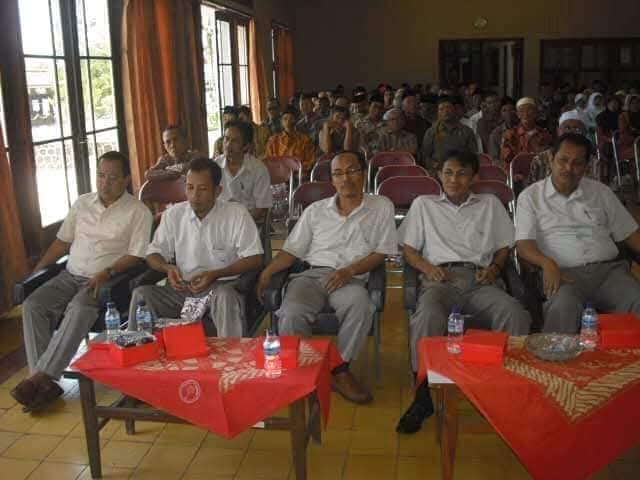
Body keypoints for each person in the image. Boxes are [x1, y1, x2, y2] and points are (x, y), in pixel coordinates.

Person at [396, 149, 530, 434]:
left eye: (461, 173)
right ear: (438, 175)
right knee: (426, 316)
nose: (453, 180)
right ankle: (422, 394)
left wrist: (495, 268)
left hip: (480, 279)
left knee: (514, 313)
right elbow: (408, 249)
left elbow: (504, 247)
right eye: (448, 173)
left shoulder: (490, 204)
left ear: (474, 177)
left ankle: (503, 388)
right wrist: (427, 267)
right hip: (440, 278)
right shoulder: (424, 205)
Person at [12, 152, 153, 412]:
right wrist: (37, 272)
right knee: (33, 304)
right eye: (100, 175)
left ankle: (39, 379)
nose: (104, 183)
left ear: (126, 180)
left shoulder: (138, 212)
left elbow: (137, 256)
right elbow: (61, 243)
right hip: (69, 275)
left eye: (112, 177)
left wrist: (107, 272)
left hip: (104, 282)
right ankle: (43, 382)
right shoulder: (82, 204)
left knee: (78, 309)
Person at [256, 151, 397, 404]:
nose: (345, 179)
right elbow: (291, 252)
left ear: (363, 173)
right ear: (332, 179)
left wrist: (349, 271)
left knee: (361, 304)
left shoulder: (381, 206)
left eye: (352, 171)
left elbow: (381, 252)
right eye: (338, 173)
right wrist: (267, 271)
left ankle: (339, 370)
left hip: (351, 277)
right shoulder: (315, 211)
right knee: (291, 313)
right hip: (312, 275)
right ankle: (307, 370)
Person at [516, 133, 640, 333]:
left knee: (636, 299)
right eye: (563, 160)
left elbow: (630, 234)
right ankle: (556, 354)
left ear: (586, 166)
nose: (569, 168)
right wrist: (546, 263)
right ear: (551, 159)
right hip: (563, 274)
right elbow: (524, 246)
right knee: (563, 305)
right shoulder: (530, 197)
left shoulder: (601, 192)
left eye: (577, 163)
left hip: (608, 273)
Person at [129, 157, 263, 336]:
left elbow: (255, 258)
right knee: (141, 295)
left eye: (203, 189)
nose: (195, 195)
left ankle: (231, 352)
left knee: (225, 297)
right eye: (190, 187)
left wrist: (216, 274)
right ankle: (139, 348)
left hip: (220, 288)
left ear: (218, 191)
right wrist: (166, 268)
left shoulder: (236, 214)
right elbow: (153, 253)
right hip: (183, 290)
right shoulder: (174, 215)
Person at [214, 121, 272, 223]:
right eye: (226, 139)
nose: (228, 144)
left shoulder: (258, 169)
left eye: (235, 141)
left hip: (249, 222)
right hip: (219, 222)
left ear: (246, 146)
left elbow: (261, 208)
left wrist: (239, 223)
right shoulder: (214, 166)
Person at [528, 112, 604, 184]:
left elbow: (598, 191)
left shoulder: (593, 163)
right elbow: (532, 190)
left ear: (585, 133)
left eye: (577, 129)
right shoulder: (540, 160)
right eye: (567, 128)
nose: (571, 132)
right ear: (558, 131)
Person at [421, 97, 477, 172]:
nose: (445, 111)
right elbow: (425, 156)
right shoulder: (431, 132)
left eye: (448, 107)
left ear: (455, 109)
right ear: (438, 113)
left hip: (462, 171)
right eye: (441, 109)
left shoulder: (467, 131)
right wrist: (436, 165)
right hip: (438, 171)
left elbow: (473, 155)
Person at [500, 97, 552, 167]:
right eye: (521, 111)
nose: (526, 114)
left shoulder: (544, 134)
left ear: (535, 113)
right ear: (518, 114)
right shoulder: (510, 135)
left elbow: (548, 159)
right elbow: (506, 161)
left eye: (529, 110)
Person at [265, 106, 316, 175]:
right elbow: (269, 161)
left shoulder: (305, 140)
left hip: (299, 175)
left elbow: (310, 161)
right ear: (281, 122)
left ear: (296, 120)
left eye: (291, 118)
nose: (288, 122)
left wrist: (296, 169)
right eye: (285, 119)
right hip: (279, 175)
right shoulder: (273, 141)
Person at [488, 97, 518, 161]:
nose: (508, 113)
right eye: (504, 110)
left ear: (517, 112)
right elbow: (494, 158)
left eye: (511, 110)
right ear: (501, 114)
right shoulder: (496, 133)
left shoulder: (523, 129)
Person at [617, 94, 640, 160]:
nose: (635, 105)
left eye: (637, 103)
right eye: (633, 103)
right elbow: (623, 134)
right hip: (629, 143)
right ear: (628, 104)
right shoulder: (623, 116)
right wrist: (636, 139)